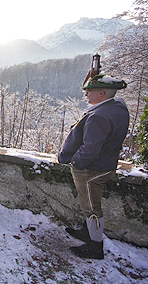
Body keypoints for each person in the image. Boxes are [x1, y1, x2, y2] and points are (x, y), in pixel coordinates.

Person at [58, 74, 128, 260]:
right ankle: (87, 232)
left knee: (92, 209)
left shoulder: (99, 116)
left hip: (91, 171)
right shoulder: (117, 106)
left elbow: (90, 148)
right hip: (105, 164)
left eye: (90, 91)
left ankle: (95, 247)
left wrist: (76, 162)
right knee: (88, 205)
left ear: (102, 93)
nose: (86, 93)